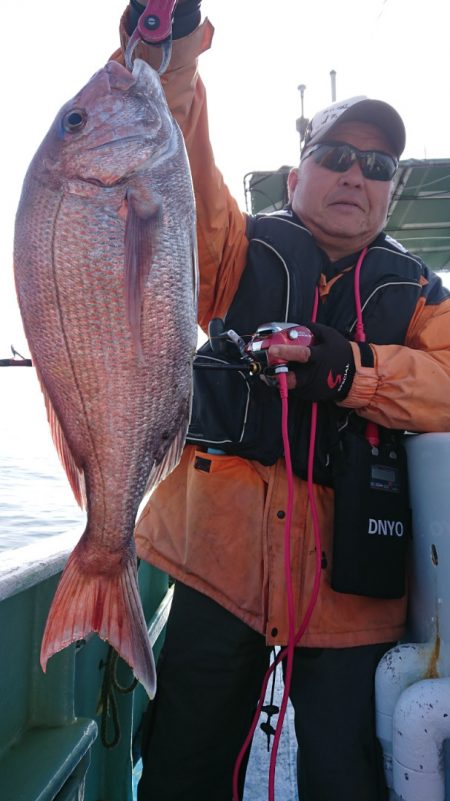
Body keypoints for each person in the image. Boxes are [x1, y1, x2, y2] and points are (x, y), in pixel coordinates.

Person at [113, 3, 450, 800]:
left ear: (391, 193)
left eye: (377, 167)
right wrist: (171, 54)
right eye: (336, 155)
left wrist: (353, 370)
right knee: (183, 772)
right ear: (297, 173)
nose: (354, 175)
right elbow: (178, 163)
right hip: (212, 568)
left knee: (347, 777)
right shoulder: (234, 250)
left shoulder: (420, 295)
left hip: (351, 601)